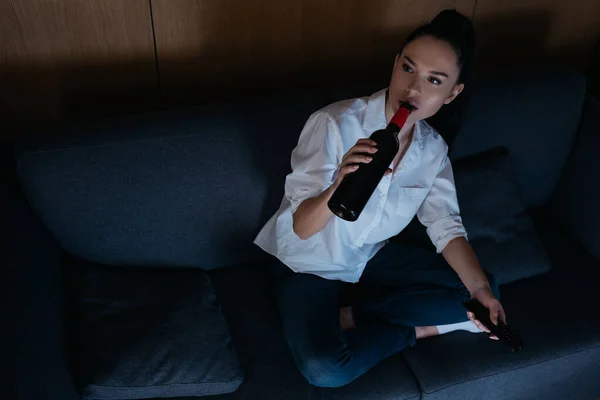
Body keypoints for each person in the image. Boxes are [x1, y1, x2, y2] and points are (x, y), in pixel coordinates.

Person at [254, 9, 507, 388]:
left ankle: (352, 315)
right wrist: (337, 185)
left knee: (483, 298)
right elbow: (302, 228)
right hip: (307, 263)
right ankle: (414, 331)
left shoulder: (432, 150)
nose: (413, 89)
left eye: (433, 80)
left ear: (452, 93)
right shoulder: (334, 123)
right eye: (408, 68)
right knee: (326, 369)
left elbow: (445, 226)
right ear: (394, 63)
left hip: (369, 257)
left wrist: (481, 291)